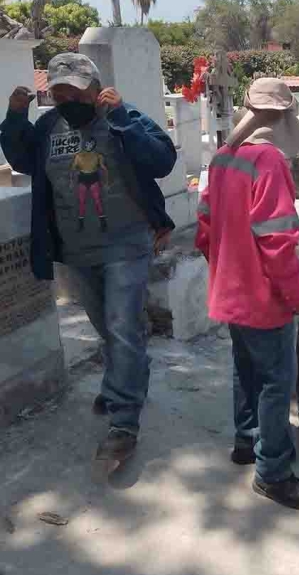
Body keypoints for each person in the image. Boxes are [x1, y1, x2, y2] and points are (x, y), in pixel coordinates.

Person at [0, 53, 177, 470]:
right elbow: (24, 160)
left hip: (126, 245)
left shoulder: (123, 115)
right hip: (76, 252)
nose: (67, 100)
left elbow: (162, 161)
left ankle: (123, 424)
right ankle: (126, 380)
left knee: (121, 329)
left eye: (75, 92)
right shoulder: (48, 126)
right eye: (59, 93)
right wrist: (14, 118)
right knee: (109, 329)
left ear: (96, 90)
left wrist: (122, 119)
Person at [196, 78, 299, 511]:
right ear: (284, 117)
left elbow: (205, 229)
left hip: (229, 291)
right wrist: (297, 294)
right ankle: (273, 472)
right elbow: (276, 239)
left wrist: (226, 268)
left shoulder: (223, 158)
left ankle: (246, 442)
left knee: (245, 370)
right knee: (275, 381)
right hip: (263, 296)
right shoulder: (268, 161)